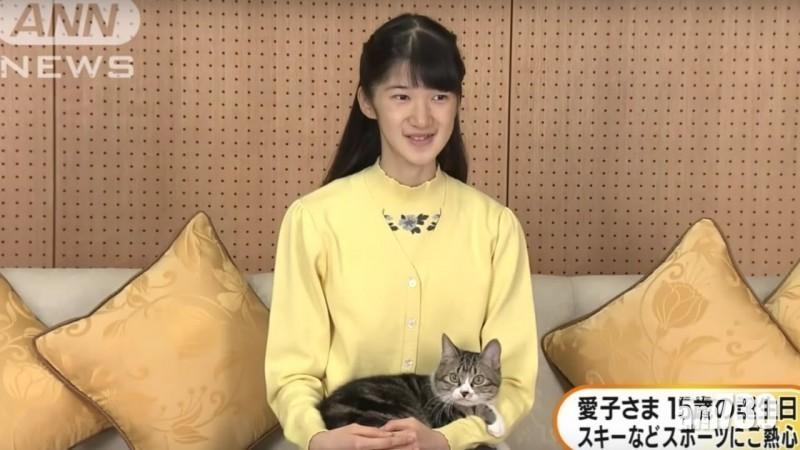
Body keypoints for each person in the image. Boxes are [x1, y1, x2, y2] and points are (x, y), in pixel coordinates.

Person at [265, 13, 538, 450]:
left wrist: (446, 439)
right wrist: (319, 438)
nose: (422, 117)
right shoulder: (314, 219)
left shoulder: (495, 226)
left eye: (440, 96)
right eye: (401, 96)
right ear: (368, 102)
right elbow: (293, 372)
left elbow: (516, 380)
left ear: (457, 103)